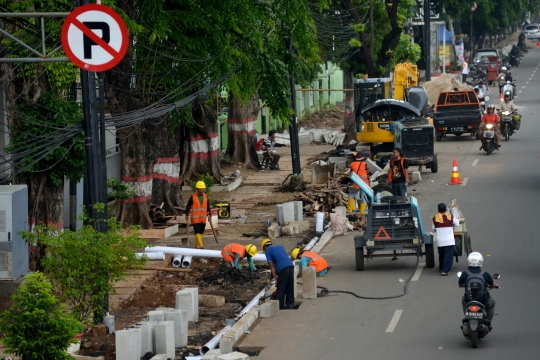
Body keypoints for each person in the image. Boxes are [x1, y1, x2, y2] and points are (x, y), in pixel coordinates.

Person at [459, 252, 499, 331]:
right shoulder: (485, 274)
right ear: (480, 262)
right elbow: (493, 284)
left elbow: (460, 284)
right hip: (483, 300)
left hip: (469, 300)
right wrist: (496, 286)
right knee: (492, 302)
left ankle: (467, 317)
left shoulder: (465, 273)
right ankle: (488, 323)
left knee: (463, 300)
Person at [262, 239, 295, 309]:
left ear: (264, 247)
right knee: (289, 286)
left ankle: (280, 307)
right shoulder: (280, 246)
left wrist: (275, 278)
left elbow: (271, 265)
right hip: (291, 266)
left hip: (283, 268)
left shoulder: (267, 251)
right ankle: (290, 304)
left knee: (281, 288)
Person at [432, 203, 461, 276]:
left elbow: (434, 228)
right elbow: (457, 223)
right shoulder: (451, 216)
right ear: (446, 209)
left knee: (441, 255)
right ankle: (445, 271)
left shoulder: (434, 218)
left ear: (438, 210)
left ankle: (441, 267)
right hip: (449, 241)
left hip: (440, 241)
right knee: (448, 256)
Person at [185, 181, 211, 249]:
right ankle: (201, 245)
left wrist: (209, 215)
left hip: (203, 218)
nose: (202, 190)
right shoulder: (193, 197)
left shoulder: (206, 196)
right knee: (197, 231)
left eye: (203, 189)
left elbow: (208, 207)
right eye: (200, 189)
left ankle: (197, 245)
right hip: (195, 218)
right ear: (197, 189)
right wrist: (187, 214)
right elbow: (188, 206)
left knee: (201, 231)